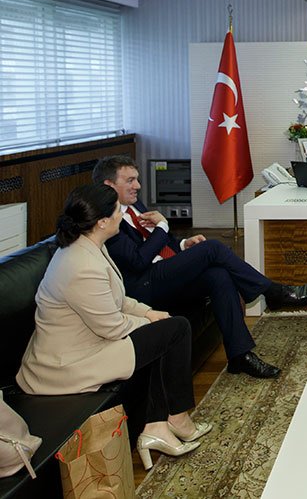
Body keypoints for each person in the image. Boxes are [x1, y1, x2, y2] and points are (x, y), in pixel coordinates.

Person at [17, 184, 211, 470]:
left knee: (170, 328)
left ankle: (161, 424)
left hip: (90, 343)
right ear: (102, 222)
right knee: (175, 330)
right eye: (118, 210)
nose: (122, 215)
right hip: (69, 362)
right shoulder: (80, 265)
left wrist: (149, 312)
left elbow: (118, 300)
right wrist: (150, 321)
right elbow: (111, 327)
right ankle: (171, 421)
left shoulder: (89, 247)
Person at [93, 155, 307, 379]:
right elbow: (138, 261)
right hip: (145, 285)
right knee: (212, 248)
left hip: (163, 272)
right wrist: (162, 226)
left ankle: (240, 355)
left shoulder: (133, 205)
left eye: (137, 179)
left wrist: (183, 244)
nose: (138, 186)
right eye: (130, 180)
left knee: (218, 275)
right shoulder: (105, 220)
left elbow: (159, 241)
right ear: (109, 185)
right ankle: (272, 291)